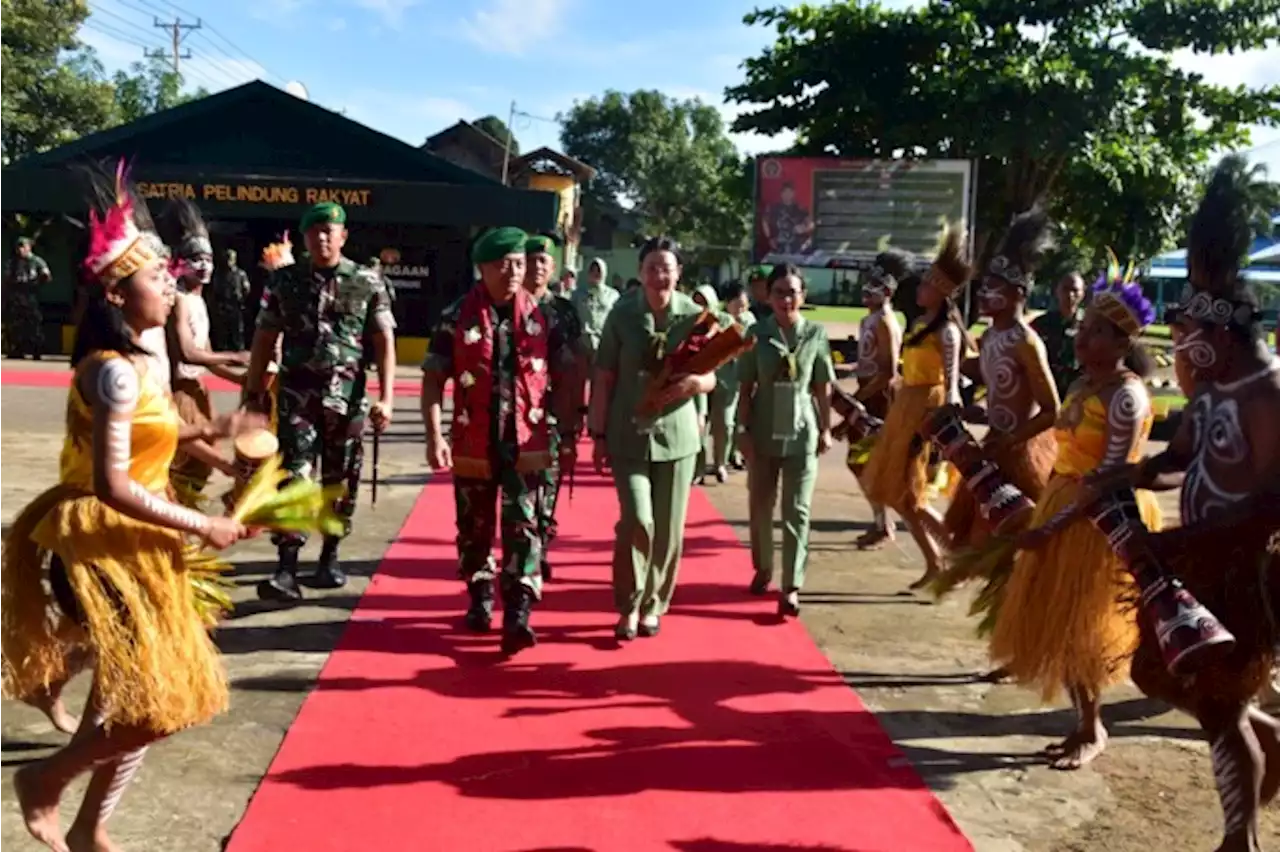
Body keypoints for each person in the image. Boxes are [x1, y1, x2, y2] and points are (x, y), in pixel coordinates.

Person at [0, 163, 251, 852]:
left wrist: (222, 438)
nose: (170, 284)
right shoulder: (110, 368)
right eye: (157, 277)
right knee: (165, 704)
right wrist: (203, 522)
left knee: (124, 698)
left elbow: (160, 435)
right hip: (101, 547)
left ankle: (90, 826)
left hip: (143, 545)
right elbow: (113, 482)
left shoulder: (142, 365)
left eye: (170, 274)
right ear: (116, 289)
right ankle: (47, 780)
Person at [1098, 160, 1280, 850]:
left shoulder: (1267, 394)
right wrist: (1122, 481)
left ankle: (1241, 840)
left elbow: (1273, 507)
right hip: (1196, 561)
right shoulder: (1211, 390)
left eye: (1185, 340)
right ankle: (1267, 741)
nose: (1176, 352)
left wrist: (1191, 549)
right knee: (1152, 671)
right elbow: (1178, 463)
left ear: (1223, 334)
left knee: (1217, 703)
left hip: (1247, 578)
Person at [988, 271, 1162, 771]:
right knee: (1060, 621)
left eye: (1096, 332)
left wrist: (1054, 524)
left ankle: (1092, 728)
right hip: (1064, 503)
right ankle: (1081, 722)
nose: (1082, 339)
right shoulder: (1086, 382)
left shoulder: (1125, 398)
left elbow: (1110, 481)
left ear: (1124, 341)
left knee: (1083, 625)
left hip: (1100, 520)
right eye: (1082, 329)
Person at [422, 227, 577, 654]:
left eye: (519, 263)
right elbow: (434, 380)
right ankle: (480, 594)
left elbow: (566, 378)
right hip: (474, 440)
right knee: (474, 527)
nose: (513, 272)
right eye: (502, 264)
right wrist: (434, 435)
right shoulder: (456, 316)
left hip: (528, 441)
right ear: (483, 268)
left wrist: (568, 433)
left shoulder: (546, 317)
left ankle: (518, 612)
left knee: (525, 526)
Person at [246, 202, 396, 603]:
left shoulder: (367, 281)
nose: (322, 238)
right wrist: (253, 390)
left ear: (343, 236)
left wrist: (387, 397)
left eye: (330, 231)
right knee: (295, 477)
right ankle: (286, 567)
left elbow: (383, 341)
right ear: (304, 238)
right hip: (299, 397)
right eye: (314, 232)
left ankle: (330, 557)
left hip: (348, 402)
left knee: (341, 480)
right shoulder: (284, 282)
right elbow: (264, 337)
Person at [589, 236, 716, 641]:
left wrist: (696, 384)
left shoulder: (696, 317)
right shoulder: (622, 315)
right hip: (628, 434)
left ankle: (652, 605)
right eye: (652, 267)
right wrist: (597, 431)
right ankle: (627, 604)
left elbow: (715, 375)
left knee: (668, 529)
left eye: (667, 267)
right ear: (640, 272)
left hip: (677, 438)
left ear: (679, 273)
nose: (660, 275)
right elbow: (604, 375)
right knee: (637, 519)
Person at [860, 223, 975, 589]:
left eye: (926, 283)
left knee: (911, 494)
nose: (919, 288)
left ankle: (954, 554)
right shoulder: (920, 323)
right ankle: (936, 562)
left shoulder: (947, 331)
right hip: (905, 405)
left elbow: (954, 380)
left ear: (941, 292)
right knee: (901, 495)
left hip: (926, 408)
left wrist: (945, 409)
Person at [946, 208, 1060, 553]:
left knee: (1008, 543)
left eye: (994, 289)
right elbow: (990, 376)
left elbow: (1051, 410)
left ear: (1019, 294)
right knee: (984, 542)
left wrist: (1011, 440)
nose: (983, 295)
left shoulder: (1026, 341)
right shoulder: (993, 335)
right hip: (995, 443)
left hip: (1019, 452)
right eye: (985, 287)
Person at [736, 264, 835, 615]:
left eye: (792, 292)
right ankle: (763, 568)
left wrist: (825, 428)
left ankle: (791, 585)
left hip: (801, 431)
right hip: (763, 431)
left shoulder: (815, 335)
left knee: (797, 511)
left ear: (802, 297)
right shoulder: (756, 334)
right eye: (779, 292)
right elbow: (745, 389)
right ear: (768, 295)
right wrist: (741, 431)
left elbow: (822, 386)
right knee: (761, 506)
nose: (786, 299)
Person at [158, 200, 251, 506]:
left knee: (198, 465)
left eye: (208, 259)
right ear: (180, 263)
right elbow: (188, 353)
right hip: (178, 392)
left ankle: (183, 511)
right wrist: (234, 357)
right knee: (183, 460)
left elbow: (207, 355)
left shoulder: (199, 300)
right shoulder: (180, 300)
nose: (204, 266)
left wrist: (242, 380)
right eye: (195, 259)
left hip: (198, 391)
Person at [523, 233, 586, 582]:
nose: (537, 268)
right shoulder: (509, 308)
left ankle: (541, 547)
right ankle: (521, 549)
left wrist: (574, 420)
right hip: (514, 413)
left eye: (544, 262)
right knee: (517, 488)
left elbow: (577, 367)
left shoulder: (563, 311)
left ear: (553, 268)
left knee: (548, 484)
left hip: (550, 414)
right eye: (531, 261)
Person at [850, 249, 910, 549]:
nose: (865, 290)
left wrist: (859, 398)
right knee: (861, 462)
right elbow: (870, 362)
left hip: (880, 398)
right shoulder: (870, 319)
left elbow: (887, 371)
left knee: (869, 462)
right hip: (868, 393)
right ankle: (880, 521)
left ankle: (891, 522)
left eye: (873, 286)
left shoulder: (886, 322)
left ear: (887, 292)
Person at [702, 281, 753, 480]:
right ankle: (700, 464)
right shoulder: (719, 319)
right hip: (712, 377)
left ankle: (721, 462)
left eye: (745, 305)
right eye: (737, 305)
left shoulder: (750, 321)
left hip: (734, 380)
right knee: (705, 422)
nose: (741, 310)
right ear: (727, 303)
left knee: (726, 422)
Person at [1031, 271, 1086, 396]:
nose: (1070, 295)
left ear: (1082, 294)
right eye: (1065, 289)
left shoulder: (1088, 325)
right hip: (1045, 389)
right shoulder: (1041, 324)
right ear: (1057, 291)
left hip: (1076, 391)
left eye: (1075, 290)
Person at [1, 236, 52, 359]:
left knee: (34, 324)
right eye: (18, 247)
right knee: (16, 324)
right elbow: (6, 280)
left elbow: (47, 275)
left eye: (23, 246)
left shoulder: (36, 261)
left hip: (31, 295)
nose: (20, 250)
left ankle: (37, 350)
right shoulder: (12, 262)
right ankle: (17, 349)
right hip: (16, 295)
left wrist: (39, 281)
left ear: (29, 247)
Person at [207, 248, 250, 352]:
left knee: (237, 330)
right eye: (226, 258)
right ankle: (224, 350)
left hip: (236, 305)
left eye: (230, 258)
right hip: (223, 305)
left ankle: (239, 349)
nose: (228, 261)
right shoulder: (220, 275)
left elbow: (246, 289)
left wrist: (242, 300)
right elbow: (215, 289)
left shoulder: (240, 274)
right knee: (223, 330)